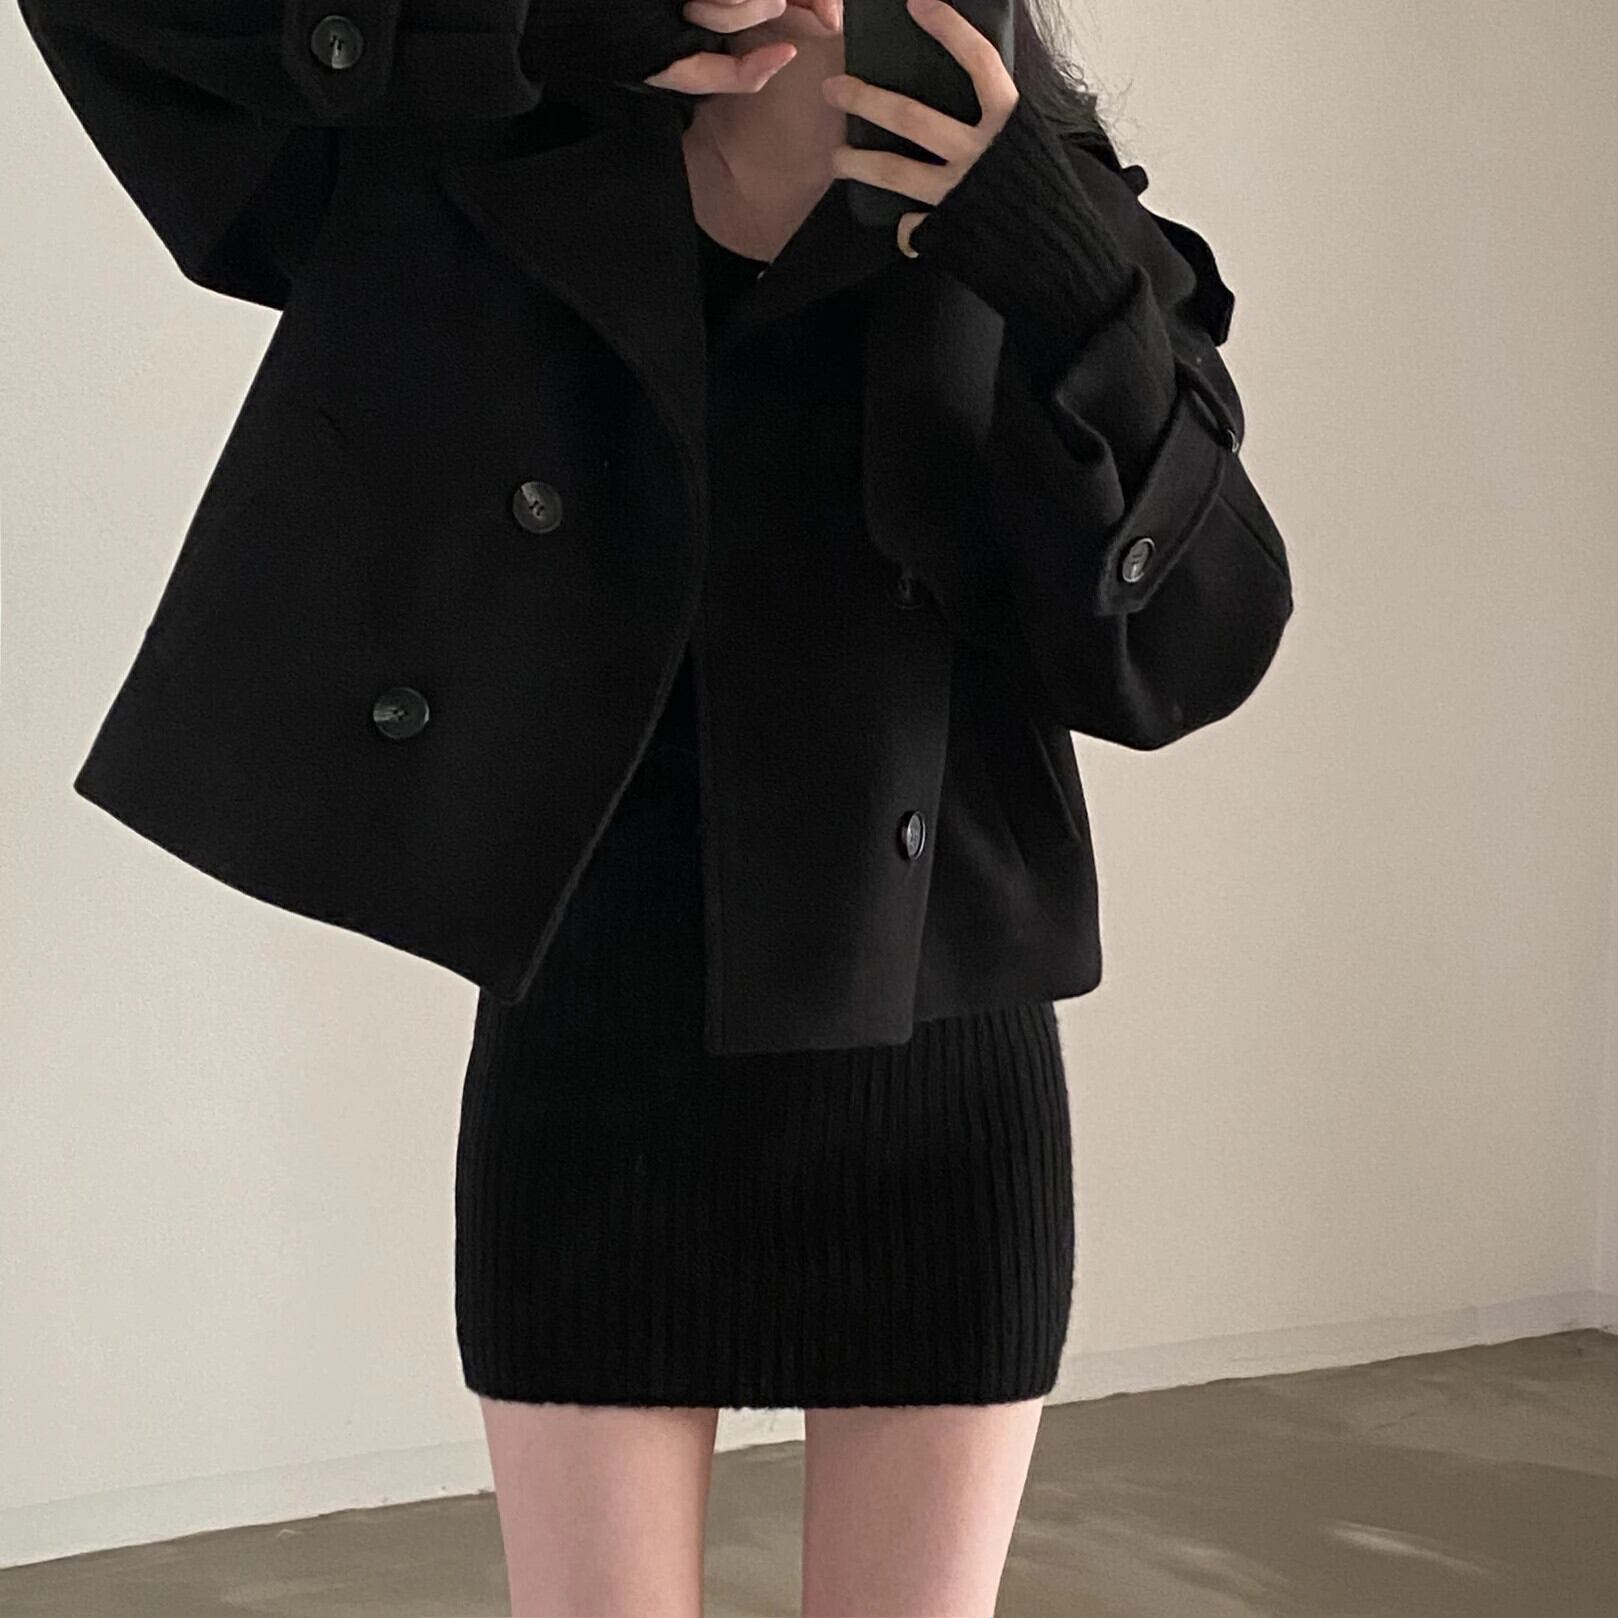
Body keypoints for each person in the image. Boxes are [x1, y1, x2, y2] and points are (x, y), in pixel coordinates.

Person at [18, 0, 1293, 1613]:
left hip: (937, 1065)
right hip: (589, 1060)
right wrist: (520, 25)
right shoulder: (489, 120)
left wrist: (1050, 260)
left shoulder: (1034, 199)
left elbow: (1197, 645)